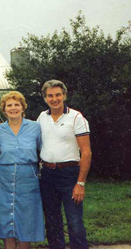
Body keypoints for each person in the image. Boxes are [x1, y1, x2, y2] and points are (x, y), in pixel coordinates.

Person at [0, 91, 45, 249]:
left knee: (26, 218)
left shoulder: (35, 127)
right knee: (6, 218)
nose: (13, 108)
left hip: (28, 178)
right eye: (9, 105)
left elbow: (43, 150)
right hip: (3, 178)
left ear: (23, 107)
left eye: (16, 104)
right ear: (4, 110)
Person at [37, 80, 92, 249]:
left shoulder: (76, 117)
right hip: (46, 175)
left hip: (69, 175)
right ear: (45, 98)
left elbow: (86, 152)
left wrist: (80, 183)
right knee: (52, 222)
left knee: (74, 222)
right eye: (50, 95)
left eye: (58, 95)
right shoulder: (41, 117)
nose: (54, 99)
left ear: (64, 96)